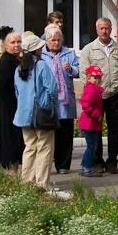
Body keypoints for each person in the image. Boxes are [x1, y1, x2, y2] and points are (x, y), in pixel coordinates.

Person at [80, 18, 118, 174]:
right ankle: (97, 162)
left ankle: (112, 162)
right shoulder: (89, 49)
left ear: (111, 30)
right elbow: (84, 73)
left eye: (107, 28)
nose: (104, 31)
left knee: (115, 129)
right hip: (97, 97)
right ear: (97, 30)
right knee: (96, 130)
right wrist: (93, 90)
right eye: (101, 28)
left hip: (114, 94)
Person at [13, 34, 60, 194]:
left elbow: (17, 92)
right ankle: (42, 184)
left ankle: (27, 182)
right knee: (45, 148)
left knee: (30, 148)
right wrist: (48, 104)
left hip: (23, 115)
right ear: (36, 49)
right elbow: (52, 89)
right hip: (41, 114)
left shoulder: (19, 69)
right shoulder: (41, 65)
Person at [41, 26, 79, 174]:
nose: (56, 43)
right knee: (50, 135)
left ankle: (63, 165)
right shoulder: (41, 55)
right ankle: (48, 164)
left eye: (58, 40)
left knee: (65, 133)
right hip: (49, 101)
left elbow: (78, 71)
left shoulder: (69, 53)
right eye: (53, 40)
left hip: (65, 100)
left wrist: (71, 69)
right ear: (47, 40)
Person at [0, 31, 24, 174]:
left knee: (17, 142)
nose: (16, 45)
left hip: (15, 107)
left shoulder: (16, 60)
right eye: (13, 43)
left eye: (18, 42)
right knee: (11, 142)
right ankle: (11, 173)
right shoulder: (7, 62)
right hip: (9, 109)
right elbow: (4, 88)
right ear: (6, 45)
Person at [78, 64, 105, 178]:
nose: (97, 80)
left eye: (99, 77)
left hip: (92, 123)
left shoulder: (94, 89)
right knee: (91, 146)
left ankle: (85, 166)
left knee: (92, 145)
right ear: (89, 78)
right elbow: (85, 103)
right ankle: (87, 168)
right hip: (89, 123)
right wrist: (96, 114)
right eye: (95, 77)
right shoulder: (91, 89)